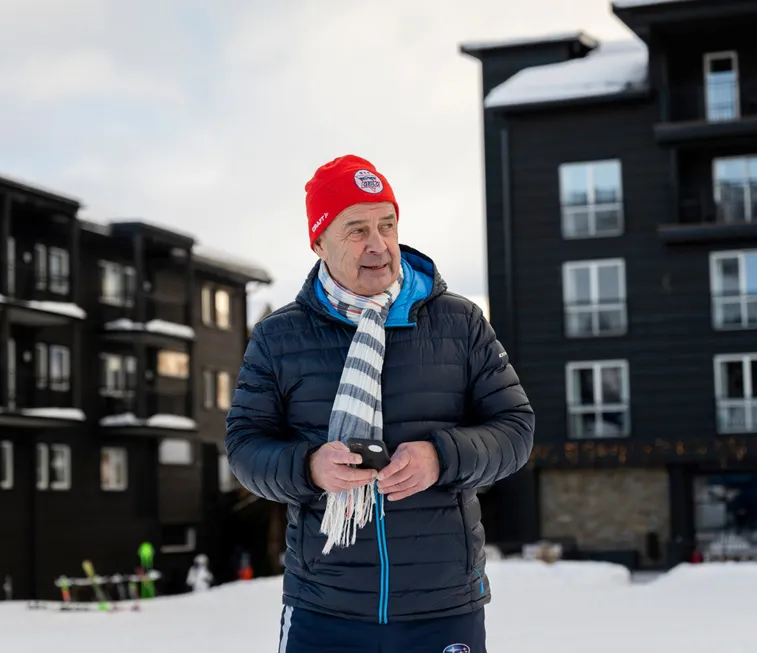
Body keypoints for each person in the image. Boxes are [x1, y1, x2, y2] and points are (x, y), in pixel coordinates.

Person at [225, 155, 534, 652]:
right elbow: (244, 447)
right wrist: (309, 467)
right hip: (325, 606)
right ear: (319, 241)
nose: (379, 245)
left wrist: (442, 456)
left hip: (442, 606)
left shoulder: (459, 323)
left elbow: (516, 429)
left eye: (386, 225)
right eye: (356, 230)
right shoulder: (278, 338)